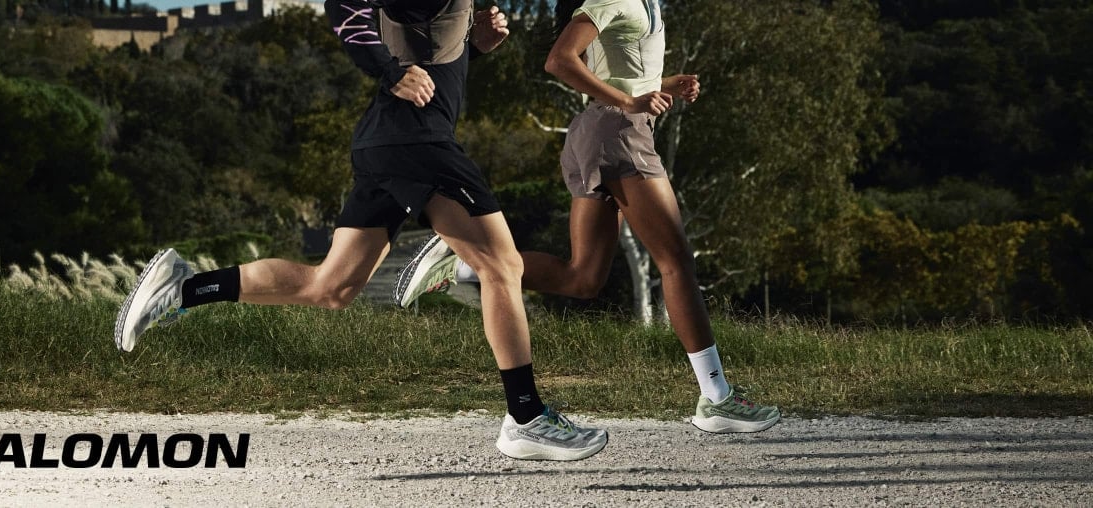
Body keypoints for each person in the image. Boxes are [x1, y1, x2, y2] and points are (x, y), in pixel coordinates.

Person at [114, 0, 607, 461]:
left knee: (331, 287)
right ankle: (524, 415)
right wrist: (390, 73)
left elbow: (426, 53)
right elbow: (345, 7)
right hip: (418, 141)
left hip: (389, 141)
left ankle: (184, 287)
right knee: (503, 265)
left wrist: (473, 47)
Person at [395, 0, 780, 434]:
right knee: (676, 263)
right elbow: (559, 60)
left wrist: (667, 84)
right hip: (618, 134)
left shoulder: (643, 3)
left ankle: (464, 265)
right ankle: (717, 398)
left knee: (582, 277)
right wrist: (630, 101)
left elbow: (619, 73)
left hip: (599, 132)